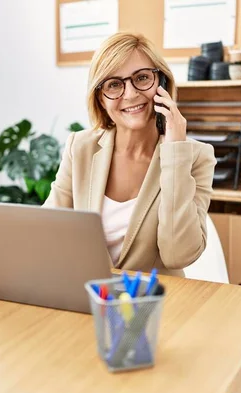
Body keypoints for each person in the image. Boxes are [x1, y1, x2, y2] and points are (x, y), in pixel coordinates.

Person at [43, 32, 216, 277]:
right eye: (114, 84)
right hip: (86, 297)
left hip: (156, 304)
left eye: (142, 78)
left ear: (162, 83)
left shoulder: (196, 157)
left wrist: (175, 151)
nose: (130, 94)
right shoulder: (80, 147)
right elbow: (48, 229)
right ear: (101, 99)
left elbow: (178, 255)